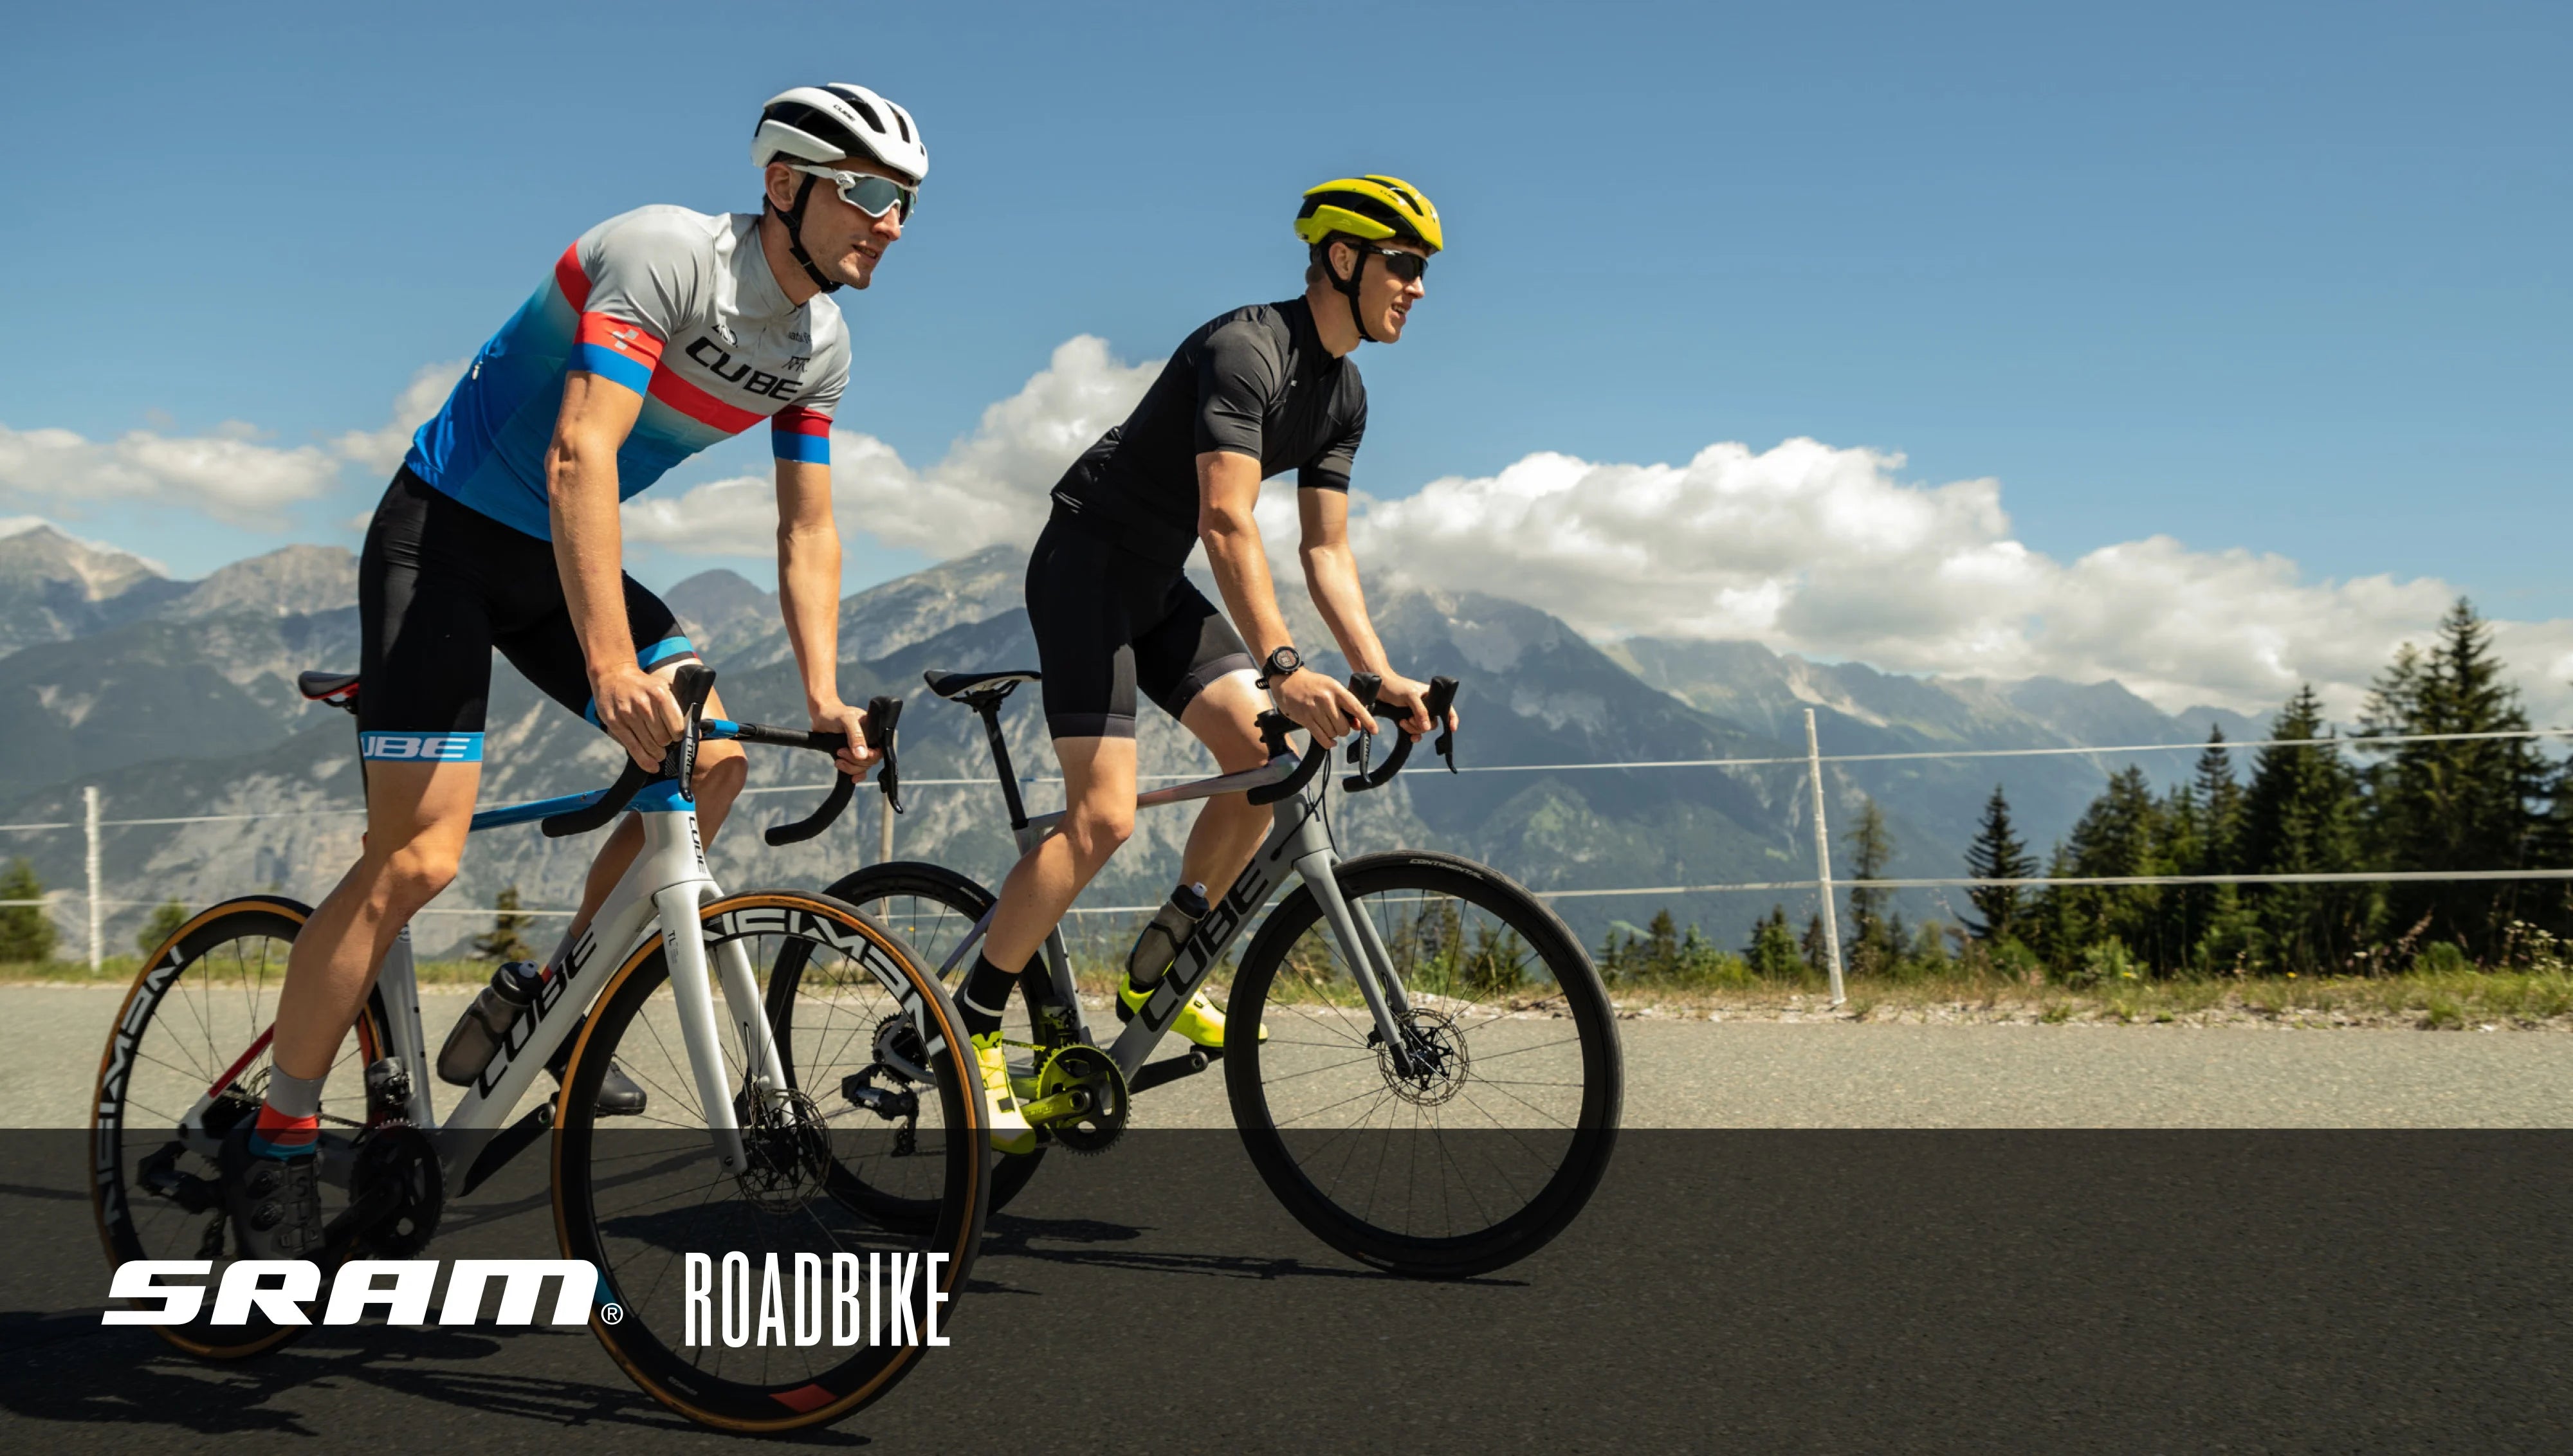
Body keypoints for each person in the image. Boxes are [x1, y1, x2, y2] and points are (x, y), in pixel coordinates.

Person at [223, 84, 926, 1260]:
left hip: (553, 557)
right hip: (442, 536)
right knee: (420, 859)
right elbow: (577, 449)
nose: (890, 221)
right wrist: (609, 664)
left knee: (717, 764)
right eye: (866, 191)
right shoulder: (662, 256)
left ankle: (537, 1009)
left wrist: (826, 695)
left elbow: (808, 531)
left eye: (905, 201)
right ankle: (281, 1132)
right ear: (783, 185)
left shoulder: (821, 348)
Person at [958, 176, 1460, 1152]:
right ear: (1344, 259)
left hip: (1154, 580)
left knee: (1264, 763)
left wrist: (1377, 671)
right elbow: (1227, 520)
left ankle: (1166, 950)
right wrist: (1282, 663)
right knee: (1102, 816)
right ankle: (971, 1027)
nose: (1419, 288)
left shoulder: (1345, 394)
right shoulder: (1247, 350)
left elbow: (1326, 552)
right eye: (1404, 264)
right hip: (1085, 567)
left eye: (1426, 271)